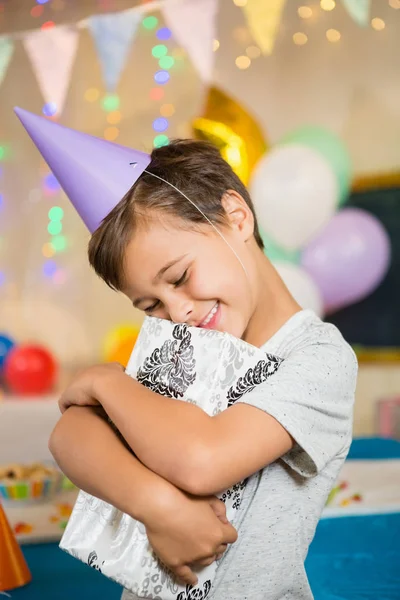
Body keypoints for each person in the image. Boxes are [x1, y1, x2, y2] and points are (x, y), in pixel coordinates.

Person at [15, 109, 357, 600]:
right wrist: (159, 506)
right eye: (150, 304)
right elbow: (70, 434)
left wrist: (110, 383)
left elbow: (203, 459)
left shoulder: (319, 358)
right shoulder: (180, 344)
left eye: (179, 277)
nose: (177, 312)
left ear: (236, 217)